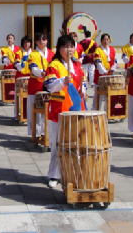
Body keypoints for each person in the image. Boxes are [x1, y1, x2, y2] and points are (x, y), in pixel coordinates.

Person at [44, 35, 86, 188]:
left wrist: (83, 89)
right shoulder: (54, 65)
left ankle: (71, 173)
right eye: (66, 46)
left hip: (75, 107)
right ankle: (54, 174)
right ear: (59, 48)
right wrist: (62, 81)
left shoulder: (76, 64)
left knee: (74, 142)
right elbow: (49, 85)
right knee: (57, 142)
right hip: (59, 107)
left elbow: (82, 80)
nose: (69, 49)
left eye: (72, 46)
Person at [27, 33, 54, 138]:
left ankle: (45, 132)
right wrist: (41, 73)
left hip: (48, 85)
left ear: (47, 40)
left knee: (47, 109)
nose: (42, 41)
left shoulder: (51, 53)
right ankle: (35, 133)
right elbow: (33, 69)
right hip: (35, 84)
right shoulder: (33, 54)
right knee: (35, 110)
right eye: (39, 39)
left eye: (44, 38)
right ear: (36, 42)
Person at [92, 33, 118, 111]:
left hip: (109, 74)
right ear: (101, 41)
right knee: (98, 95)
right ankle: (95, 110)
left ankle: (107, 112)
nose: (106, 41)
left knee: (109, 94)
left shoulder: (112, 49)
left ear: (109, 40)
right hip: (100, 74)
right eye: (104, 40)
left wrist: (113, 69)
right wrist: (104, 71)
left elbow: (115, 61)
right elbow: (98, 62)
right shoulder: (98, 50)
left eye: (107, 39)